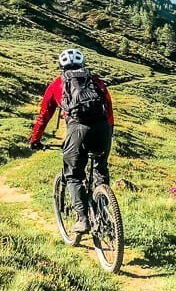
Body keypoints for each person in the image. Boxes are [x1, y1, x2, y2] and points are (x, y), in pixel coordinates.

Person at [29, 48, 114, 233]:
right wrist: (109, 130)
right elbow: (108, 105)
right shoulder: (96, 81)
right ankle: (105, 215)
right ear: (82, 64)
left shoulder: (57, 85)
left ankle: (83, 220)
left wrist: (35, 139)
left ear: (61, 66)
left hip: (78, 130)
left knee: (73, 175)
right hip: (103, 128)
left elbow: (44, 116)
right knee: (101, 170)